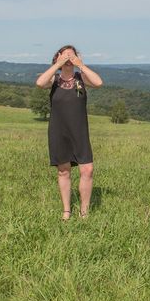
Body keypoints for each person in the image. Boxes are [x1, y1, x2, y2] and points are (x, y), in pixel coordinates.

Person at [36, 46, 103, 220]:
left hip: (79, 131)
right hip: (59, 130)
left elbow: (98, 82)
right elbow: (40, 83)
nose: (68, 56)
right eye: (64, 53)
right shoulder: (54, 80)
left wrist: (81, 64)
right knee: (63, 171)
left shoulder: (81, 78)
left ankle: (84, 212)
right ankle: (66, 210)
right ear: (57, 56)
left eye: (71, 53)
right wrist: (56, 64)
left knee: (87, 170)